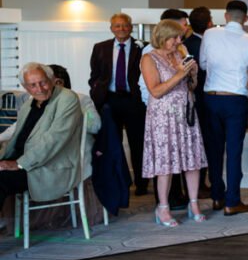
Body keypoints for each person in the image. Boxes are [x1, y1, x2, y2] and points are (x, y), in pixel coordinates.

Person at [140, 19, 208, 227]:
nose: (179, 41)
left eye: (180, 37)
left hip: (185, 113)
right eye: (175, 37)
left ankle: (194, 204)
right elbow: (156, 90)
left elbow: (190, 87)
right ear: (163, 37)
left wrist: (192, 75)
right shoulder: (148, 59)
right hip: (163, 117)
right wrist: (180, 73)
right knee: (165, 163)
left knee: (192, 159)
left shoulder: (180, 53)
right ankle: (163, 208)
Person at [199, 0, 248, 215]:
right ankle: (232, 201)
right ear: (246, 18)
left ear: (225, 16)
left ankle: (217, 197)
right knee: (234, 152)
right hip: (235, 101)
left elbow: (203, 64)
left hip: (211, 99)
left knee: (214, 151)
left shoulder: (209, 34)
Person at [0, 64, 84, 210]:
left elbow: (55, 139)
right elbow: (16, 135)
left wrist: (19, 163)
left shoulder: (67, 98)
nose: (39, 89)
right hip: (22, 161)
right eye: (33, 85)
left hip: (46, 167)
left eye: (43, 82)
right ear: (25, 87)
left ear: (51, 79)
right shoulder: (28, 104)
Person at [88, 13, 147, 195]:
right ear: (111, 28)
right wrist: (96, 91)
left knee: (138, 143)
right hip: (110, 100)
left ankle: (141, 184)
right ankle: (117, 181)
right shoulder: (100, 48)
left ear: (131, 27)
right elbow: (95, 75)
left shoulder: (142, 47)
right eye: (117, 26)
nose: (121, 29)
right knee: (112, 143)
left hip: (134, 100)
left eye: (125, 25)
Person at [186, 6, 214, 197]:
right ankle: (202, 183)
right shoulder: (206, 43)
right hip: (203, 98)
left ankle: (201, 182)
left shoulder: (186, 43)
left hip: (195, 98)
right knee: (204, 140)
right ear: (209, 23)